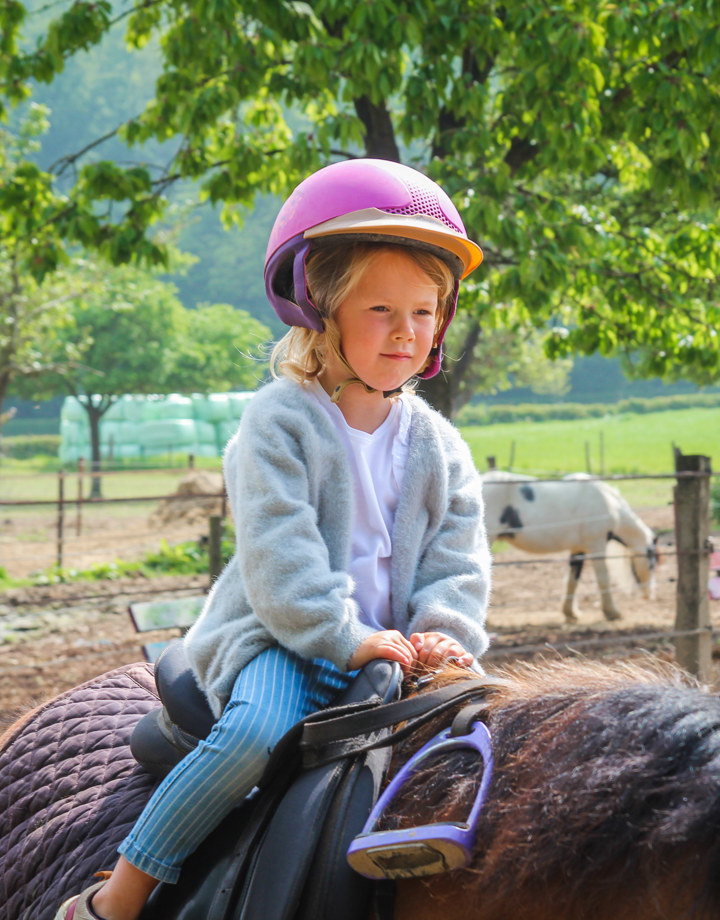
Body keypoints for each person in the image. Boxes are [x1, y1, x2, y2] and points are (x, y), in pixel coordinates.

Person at [55, 158, 491, 920]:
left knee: (495, 741)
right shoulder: (277, 422)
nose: (406, 331)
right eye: (381, 309)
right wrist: (344, 636)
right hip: (284, 641)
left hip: (397, 650)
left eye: (424, 312)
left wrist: (443, 636)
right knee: (252, 738)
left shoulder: (439, 446)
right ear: (318, 310)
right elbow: (279, 560)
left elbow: (459, 560)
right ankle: (115, 898)